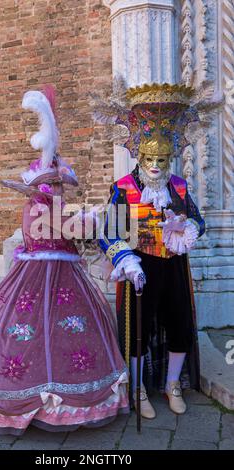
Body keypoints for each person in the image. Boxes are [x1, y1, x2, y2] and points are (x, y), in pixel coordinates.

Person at [0, 87, 129, 435]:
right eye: (55, 185)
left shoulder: (42, 207)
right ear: (43, 186)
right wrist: (99, 219)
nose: (61, 190)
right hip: (44, 275)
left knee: (57, 329)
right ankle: (44, 401)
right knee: (37, 332)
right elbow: (72, 227)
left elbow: (69, 224)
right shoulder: (43, 208)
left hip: (53, 272)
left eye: (59, 185)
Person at [98, 83, 212, 419]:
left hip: (174, 264)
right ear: (139, 155)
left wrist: (186, 228)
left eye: (162, 160)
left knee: (179, 324)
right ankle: (137, 388)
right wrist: (125, 259)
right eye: (150, 159)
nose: (155, 166)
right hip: (140, 266)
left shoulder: (178, 186)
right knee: (139, 328)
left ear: (170, 157)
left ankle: (172, 383)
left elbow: (199, 221)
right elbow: (108, 232)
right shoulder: (123, 188)